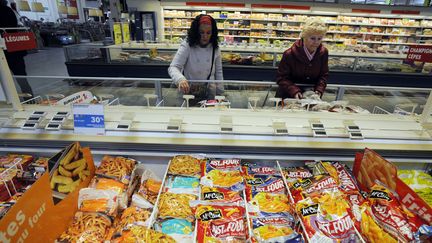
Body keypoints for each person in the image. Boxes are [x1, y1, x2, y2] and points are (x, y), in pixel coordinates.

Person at [168, 14, 223, 105]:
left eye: (208, 33)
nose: (205, 36)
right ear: (196, 31)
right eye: (201, 32)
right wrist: (180, 79)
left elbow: (219, 72)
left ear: (213, 33)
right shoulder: (187, 45)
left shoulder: (215, 48)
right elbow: (173, 67)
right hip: (188, 91)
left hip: (209, 92)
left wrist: (221, 93)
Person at [275, 19, 328, 99]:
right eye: (313, 38)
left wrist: (319, 89)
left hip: (311, 96)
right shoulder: (289, 54)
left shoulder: (323, 53)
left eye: (319, 39)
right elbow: (281, 77)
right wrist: (294, 90)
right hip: (288, 96)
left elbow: (324, 75)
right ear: (304, 37)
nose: (316, 42)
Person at [0, 0, 34, 100]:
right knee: (21, 76)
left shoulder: (6, 11)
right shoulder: (9, 11)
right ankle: (29, 99)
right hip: (14, 47)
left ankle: (11, 100)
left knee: (10, 78)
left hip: (6, 48)